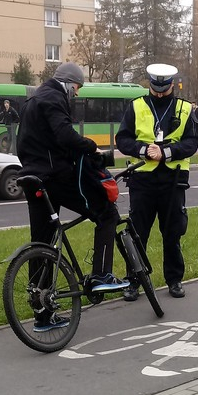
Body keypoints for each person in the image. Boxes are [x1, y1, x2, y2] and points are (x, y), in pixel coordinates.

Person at [17, 62, 129, 330]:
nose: (76, 94)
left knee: (41, 243)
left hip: (32, 178)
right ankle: (102, 274)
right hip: (55, 178)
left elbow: (33, 141)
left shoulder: (32, 98)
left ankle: (42, 314)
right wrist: (90, 146)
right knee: (106, 212)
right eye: (77, 88)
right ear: (68, 84)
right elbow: (64, 135)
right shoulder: (54, 97)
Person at [116, 63, 198, 300]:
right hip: (142, 179)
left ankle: (174, 280)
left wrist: (166, 153)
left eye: (164, 90)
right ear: (150, 85)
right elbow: (122, 139)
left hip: (173, 181)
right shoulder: (136, 106)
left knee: (172, 233)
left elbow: (192, 142)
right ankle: (134, 282)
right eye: (156, 89)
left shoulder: (185, 109)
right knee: (138, 233)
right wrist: (144, 150)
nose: (160, 93)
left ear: (172, 85)